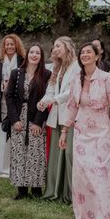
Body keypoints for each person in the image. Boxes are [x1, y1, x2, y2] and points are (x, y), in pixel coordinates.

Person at [60, 42, 110, 219]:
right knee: (83, 174)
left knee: (100, 174)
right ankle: (87, 214)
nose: (85, 55)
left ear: (97, 56)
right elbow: (72, 106)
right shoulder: (76, 79)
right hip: (81, 131)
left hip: (101, 132)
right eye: (82, 53)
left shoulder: (106, 78)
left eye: (89, 52)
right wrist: (65, 130)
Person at [6, 44, 52, 199]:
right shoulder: (16, 73)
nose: (34, 55)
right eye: (31, 52)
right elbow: (9, 97)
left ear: (41, 56)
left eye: (37, 53)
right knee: (19, 152)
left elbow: (47, 99)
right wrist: (14, 120)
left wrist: (38, 122)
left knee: (36, 152)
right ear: (27, 55)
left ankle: (36, 188)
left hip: (36, 116)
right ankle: (22, 189)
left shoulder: (46, 74)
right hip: (19, 117)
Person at [38, 36, 79, 203]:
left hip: (70, 116)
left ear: (68, 47)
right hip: (56, 115)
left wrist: (55, 100)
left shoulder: (77, 67)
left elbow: (73, 91)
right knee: (56, 153)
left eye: (58, 46)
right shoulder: (58, 67)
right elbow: (51, 89)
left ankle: (70, 193)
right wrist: (44, 100)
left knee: (69, 153)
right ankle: (54, 191)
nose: (55, 49)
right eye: (54, 46)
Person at [0, 34, 25, 178]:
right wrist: (2, 87)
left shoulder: (23, 61)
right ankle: (4, 169)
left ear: (16, 45)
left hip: (18, 102)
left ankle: (16, 167)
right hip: (3, 102)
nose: (9, 47)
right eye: (7, 44)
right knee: (4, 135)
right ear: (3, 46)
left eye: (12, 44)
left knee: (17, 137)